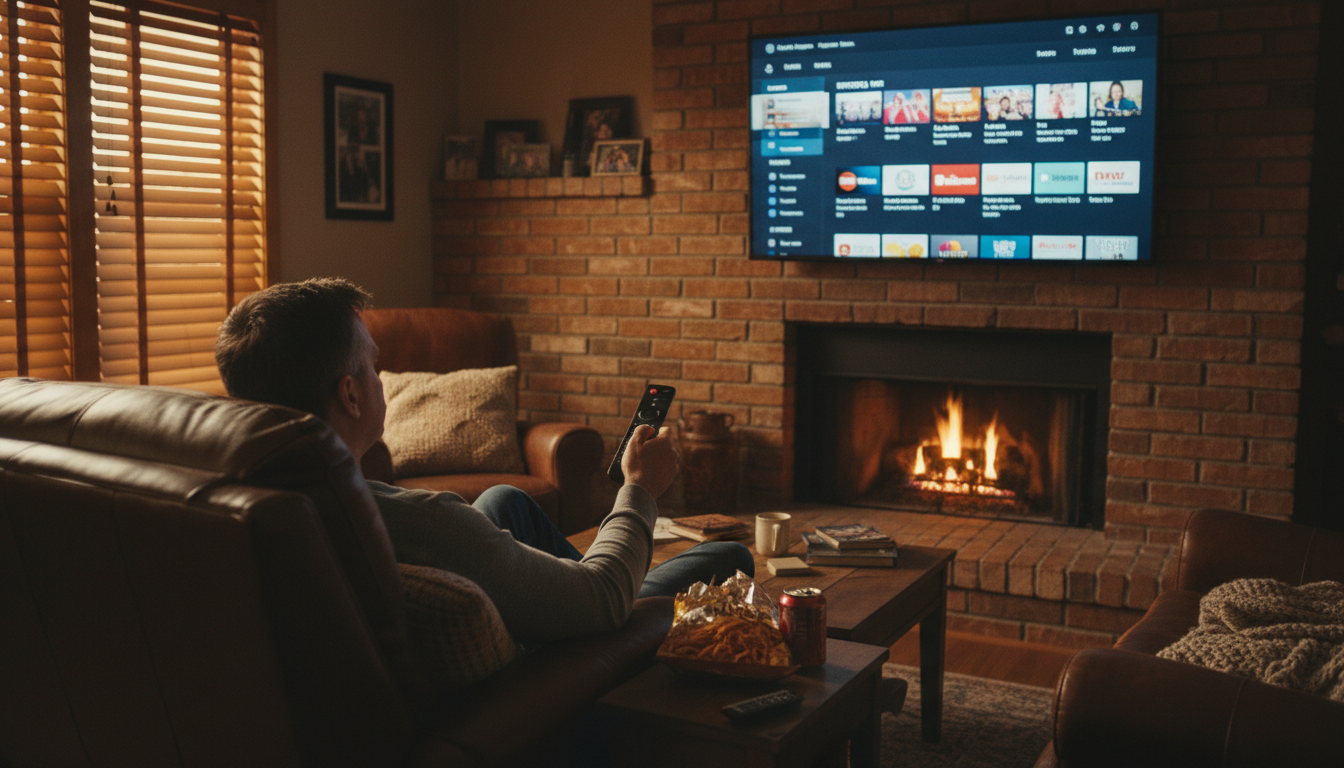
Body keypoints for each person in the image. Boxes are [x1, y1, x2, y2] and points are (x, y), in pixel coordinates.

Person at [215, 278, 754, 644]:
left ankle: (568, 573)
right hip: (558, 656)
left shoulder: (235, 501)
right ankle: (598, 566)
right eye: (376, 368)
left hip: (499, 592)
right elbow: (604, 602)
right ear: (352, 396)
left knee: (505, 500)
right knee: (727, 555)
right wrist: (638, 487)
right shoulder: (429, 521)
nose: (384, 379)